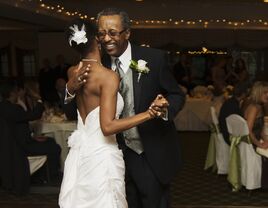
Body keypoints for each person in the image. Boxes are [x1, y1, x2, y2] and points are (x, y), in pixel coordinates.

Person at [64, 8, 185, 208]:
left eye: (113, 32)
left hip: (148, 152)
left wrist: (164, 109)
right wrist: (69, 90)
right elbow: (74, 113)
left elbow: (176, 94)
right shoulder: (92, 65)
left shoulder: (153, 58)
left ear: (127, 33)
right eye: (101, 34)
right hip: (110, 154)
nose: (106, 38)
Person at [0, 80, 61, 181]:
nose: (17, 95)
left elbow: (16, 128)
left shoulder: (3, 107)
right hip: (20, 147)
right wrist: (39, 100)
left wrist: (32, 137)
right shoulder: (13, 108)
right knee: (54, 147)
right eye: (16, 92)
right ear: (12, 93)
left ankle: (46, 175)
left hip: (15, 143)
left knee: (50, 141)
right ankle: (51, 177)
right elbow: (34, 115)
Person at [243, 81, 268, 189]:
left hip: (255, 139)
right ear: (258, 93)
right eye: (265, 93)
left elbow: (261, 130)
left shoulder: (259, 106)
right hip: (250, 142)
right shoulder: (253, 108)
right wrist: (259, 144)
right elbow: (248, 131)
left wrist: (266, 139)